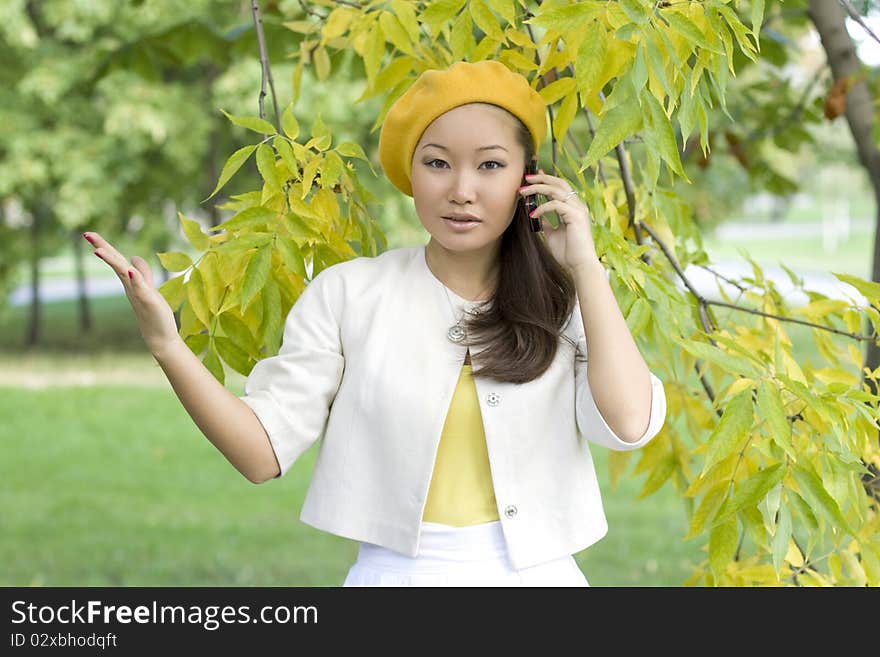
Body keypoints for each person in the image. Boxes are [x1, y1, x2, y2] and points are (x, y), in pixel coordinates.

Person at [83, 59, 666, 587]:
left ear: (526, 179)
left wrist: (585, 267)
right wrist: (167, 344)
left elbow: (630, 422)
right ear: (411, 174)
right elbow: (261, 454)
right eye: (437, 163)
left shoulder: (565, 299)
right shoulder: (349, 293)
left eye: (490, 165)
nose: (462, 190)